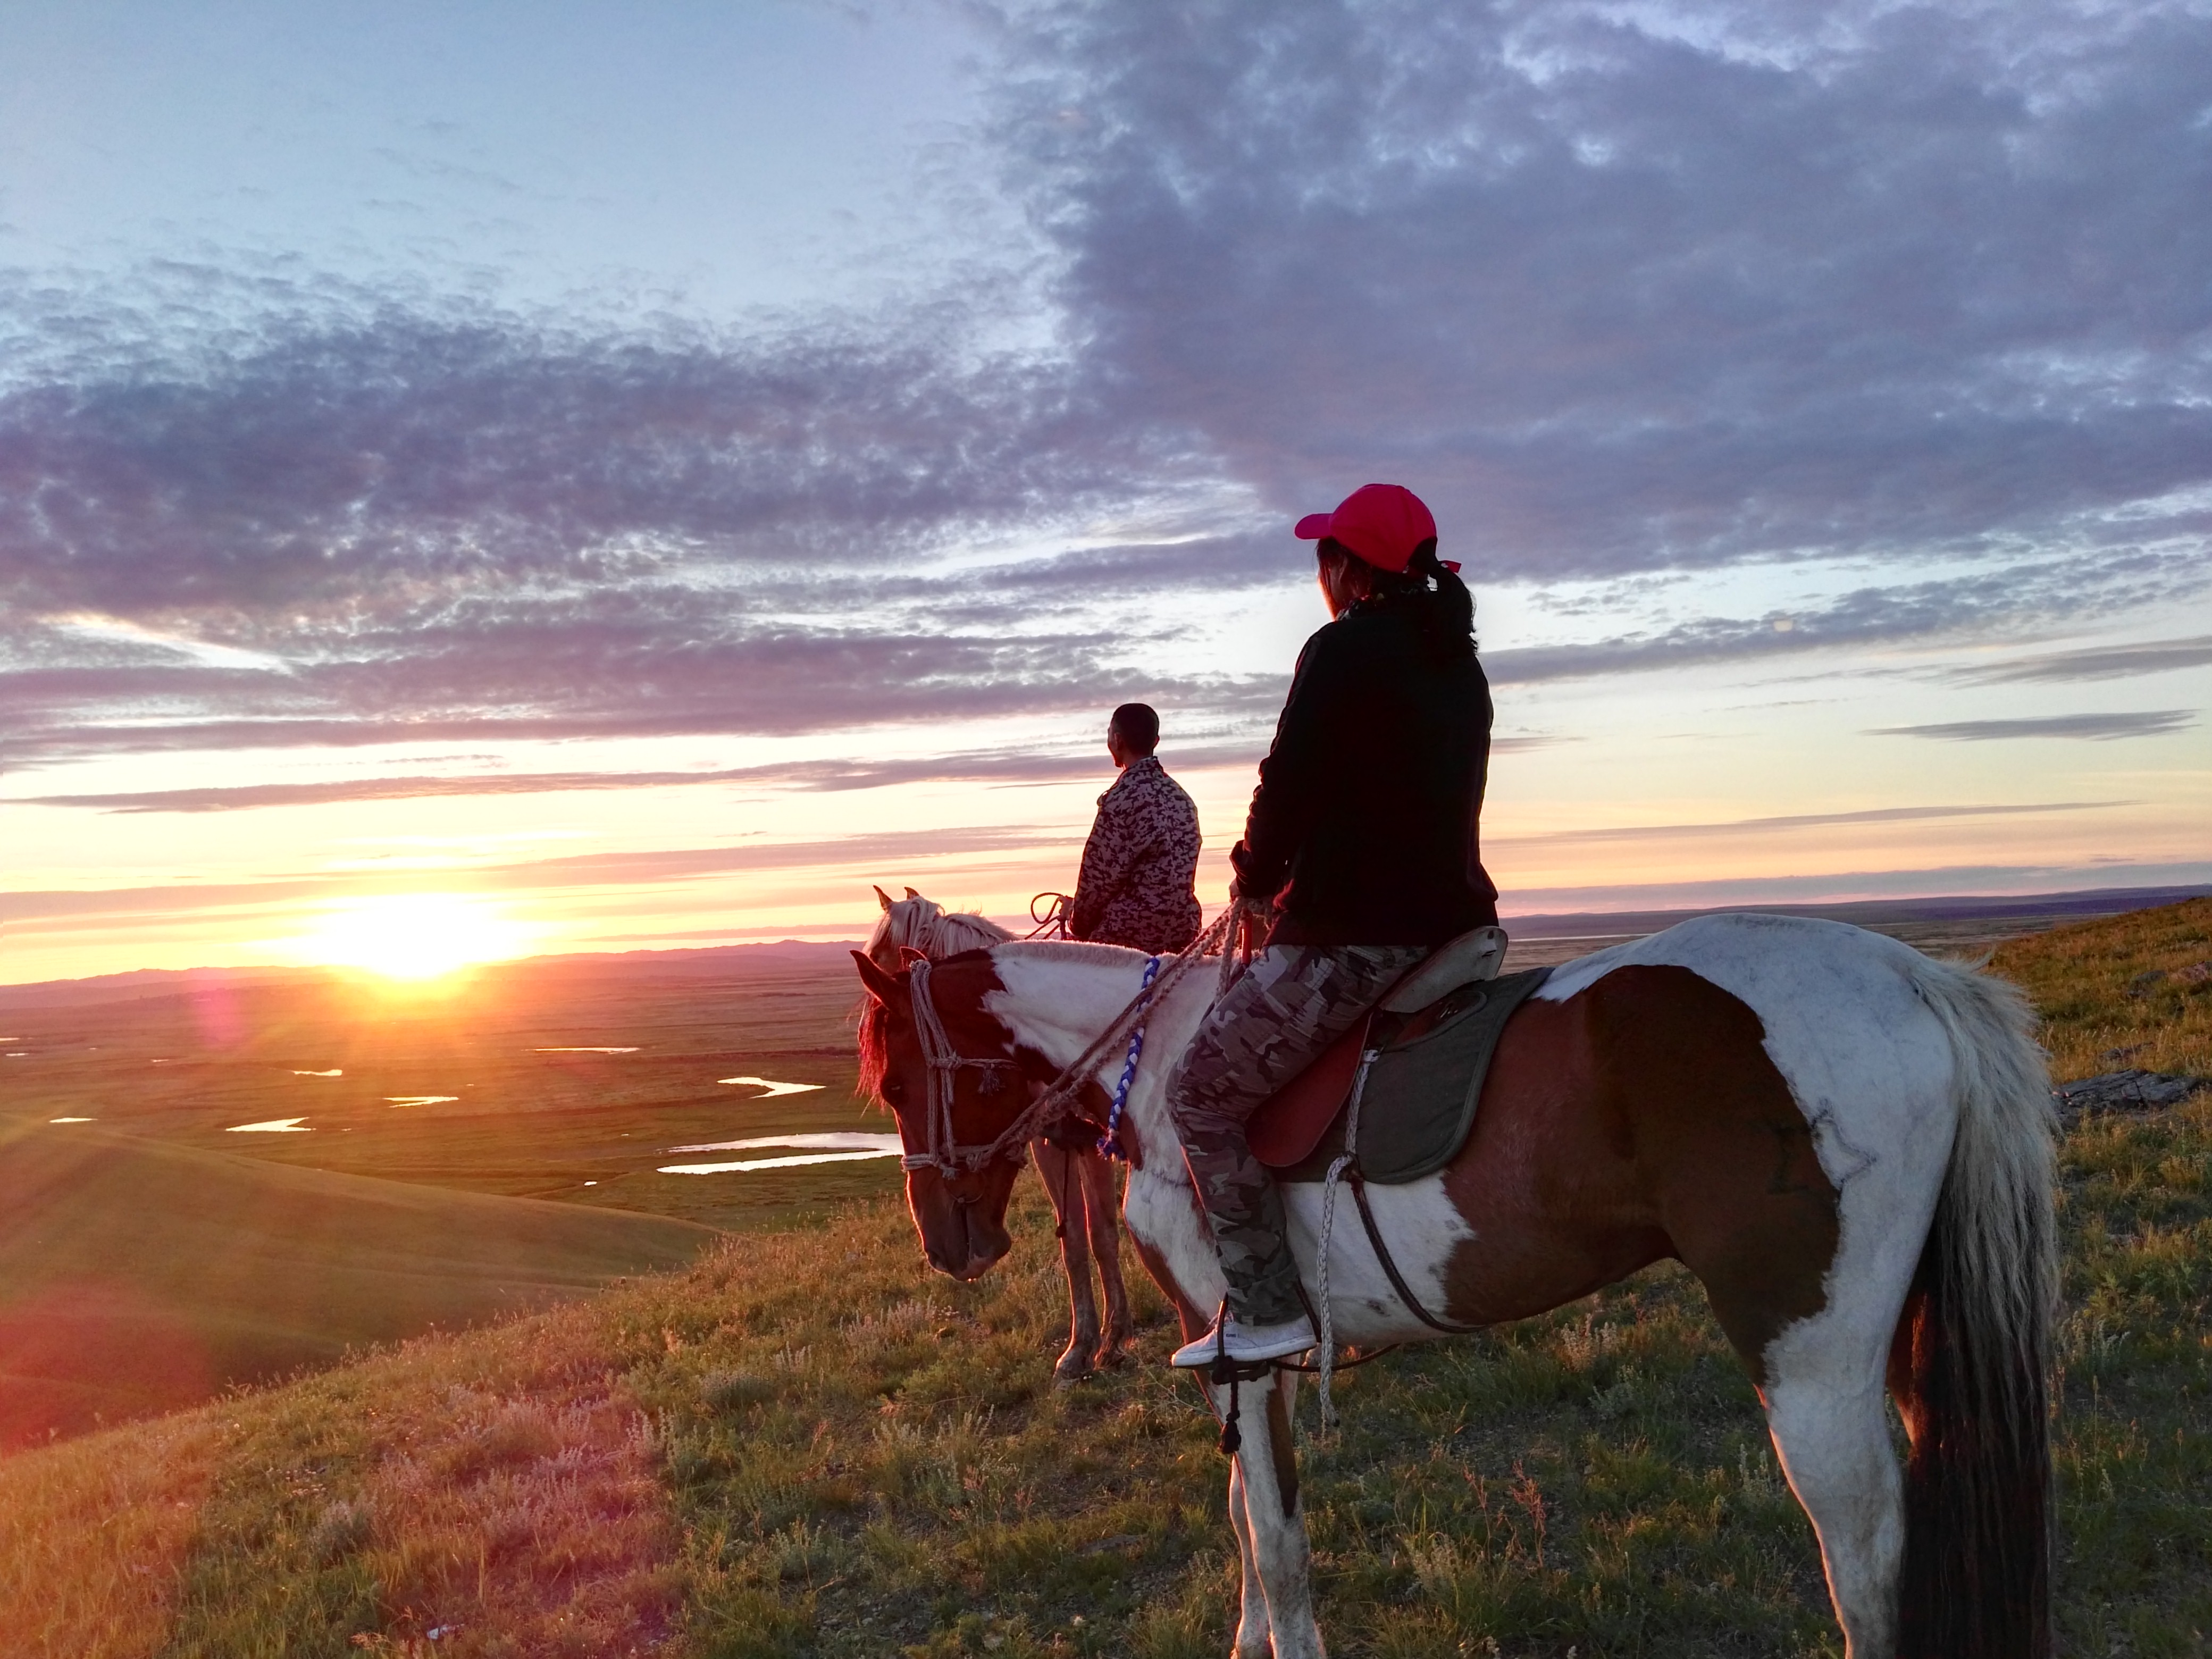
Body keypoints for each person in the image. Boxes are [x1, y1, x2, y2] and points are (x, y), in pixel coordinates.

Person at [1167, 483, 1498, 1367]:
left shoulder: (1343, 650)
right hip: (1458, 927)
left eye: (1326, 559)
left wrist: (1253, 880)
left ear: (1346, 569)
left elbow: (1290, 780)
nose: (1322, 575)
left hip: (1355, 937)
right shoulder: (1457, 662)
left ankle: (1265, 1308)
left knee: (1196, 1094)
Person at [1067, 702, 1204, 955]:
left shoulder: (1123, 799)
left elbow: (1098, 879)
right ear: (1156, 740)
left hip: (1126, 940)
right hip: (1183, 935)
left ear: (1117, 740)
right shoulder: (1181, 799)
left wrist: (1076, 922)